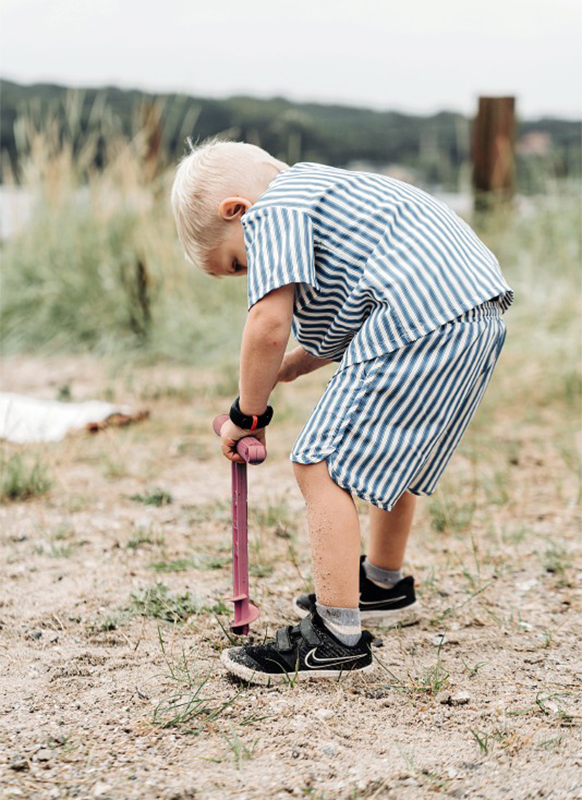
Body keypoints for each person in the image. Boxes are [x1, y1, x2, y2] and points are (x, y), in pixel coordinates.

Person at [171, 139, 514, 685]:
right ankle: (383, 584)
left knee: (319, 463)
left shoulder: (274, 209)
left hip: (420, 319)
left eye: (237, 263)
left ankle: (335, 638)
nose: (249, 275)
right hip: (473, 310)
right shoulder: (326, 195)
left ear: (236, 210)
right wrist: (296, 365)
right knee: (394, 451)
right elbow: (355, 308)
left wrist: (247, 414)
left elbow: (266, 324)